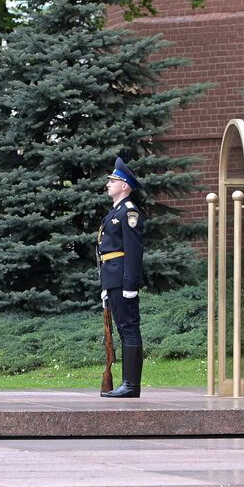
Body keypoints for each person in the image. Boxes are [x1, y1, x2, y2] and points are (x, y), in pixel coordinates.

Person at [98, 156, 144, 398]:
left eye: (113, 180)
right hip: (113, 278)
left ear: (124, 185)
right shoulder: (115, 212)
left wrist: (130, 284)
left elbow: (133, 251)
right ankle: (127, 384)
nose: (108, 183)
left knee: (129, 329)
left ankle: (131, 386)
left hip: (122, 279)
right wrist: (106, 285)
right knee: (122, 329)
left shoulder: (129, 212)